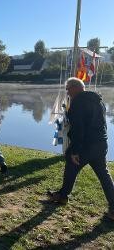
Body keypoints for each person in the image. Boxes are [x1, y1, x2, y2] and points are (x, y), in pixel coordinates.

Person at [48, 77, 114, 220]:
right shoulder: (99, 101)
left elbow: (79, 129)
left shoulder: (78, 102)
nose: (67, 91)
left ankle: (62, 196)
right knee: (104, 175)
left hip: (87, 144)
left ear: (76, 87)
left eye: (68, 88)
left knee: (71, 162)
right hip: (101, 143)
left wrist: (75, 151)